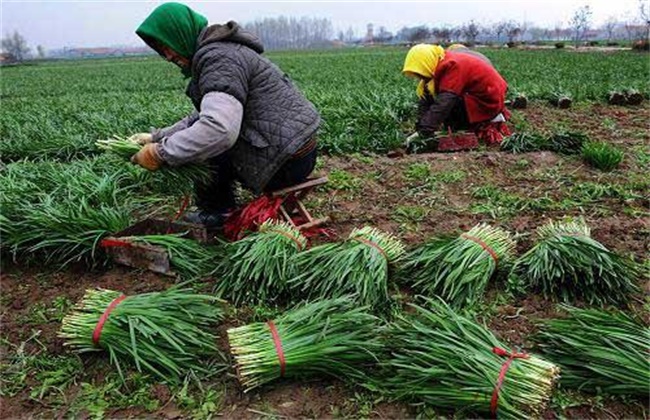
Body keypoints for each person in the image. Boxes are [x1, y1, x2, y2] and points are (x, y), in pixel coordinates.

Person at [129, 2, 320, 230]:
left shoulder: (218, 58)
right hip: (295, 152)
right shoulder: (223, 51)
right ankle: (220, 207)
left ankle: (218, 213)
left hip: (285, 161)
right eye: (160, 50)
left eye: (167, 45)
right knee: (196, 139)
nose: (168, 56)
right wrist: (156, 137)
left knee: (199, 149)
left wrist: (160, 153)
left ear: (181, 34)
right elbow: (202, 117)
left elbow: (218, 129)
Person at [402, 43, 510, 145]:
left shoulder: (452, 65)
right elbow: (426, 100)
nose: (420, 77)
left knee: (449, 104)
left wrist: (424, 131)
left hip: (487, 100)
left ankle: (471, 126)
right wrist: (420, 126)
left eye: (420, 73)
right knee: (441, 104)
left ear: (426, 63)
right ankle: (455, 126)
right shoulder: (439, 67)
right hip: (474, 94)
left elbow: (445, 101)